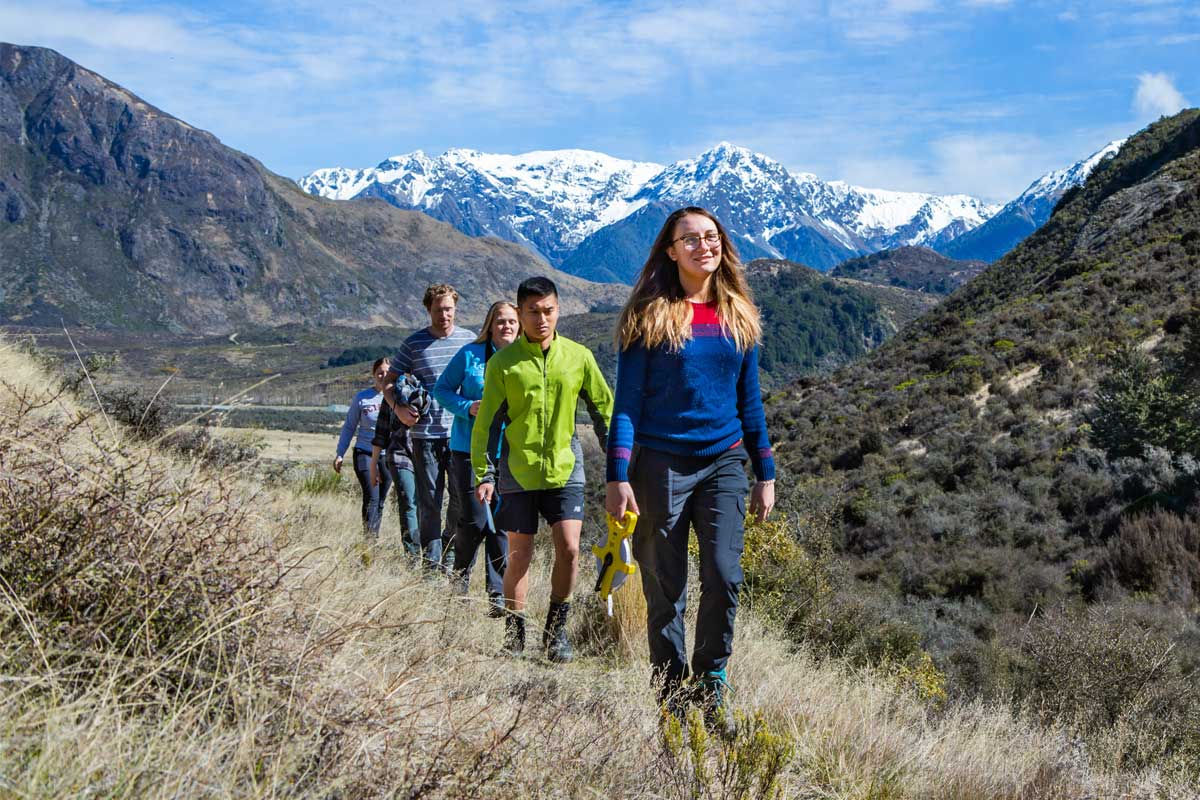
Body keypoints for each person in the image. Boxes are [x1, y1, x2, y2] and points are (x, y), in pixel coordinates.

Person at [604, 206, 776, 731]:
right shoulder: (648, 317)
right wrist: (618, 476)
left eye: (711, 236)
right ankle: (671, 696)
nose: (704, 246)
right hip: (660, 466)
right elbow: (627, 404)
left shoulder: (738, 315)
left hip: (724, 462)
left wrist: (765, 471)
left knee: (724, 575)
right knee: (666, 587)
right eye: (691, 239)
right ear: (671, 251)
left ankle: (711, 682)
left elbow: (750, 402)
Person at [472, 277, 613, 662]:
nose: (541, 319)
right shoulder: (503, 363)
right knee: (520, 556)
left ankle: (555, 633)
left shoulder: (579, 357)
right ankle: (515, 635)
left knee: (569, 549)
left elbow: (604, 411)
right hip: (517, 469)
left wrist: (619, 466)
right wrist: (484, 474)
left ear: (558, 310)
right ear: (519, 313)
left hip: (566, 468)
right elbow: (487, 424)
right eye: (532, 312)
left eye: (548, 310)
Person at [433, 301, 520, 616]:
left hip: (509, 452)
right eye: (500, 321)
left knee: (501, 523)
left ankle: (497, 593)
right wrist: (466, 406)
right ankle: (459, 578)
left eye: (512, 321)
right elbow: (441, 390)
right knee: (474, 518)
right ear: (490, 325)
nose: (506, 326)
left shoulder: (525, 358)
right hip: (469, 448)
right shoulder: (470, 355)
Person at [384, 284, 475, 567]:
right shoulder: (413, 344)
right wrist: (398, 408)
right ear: (428, 310)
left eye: (448, 309)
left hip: (460, 435)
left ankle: (450, 551)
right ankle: (431, 567)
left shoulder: (470, 341)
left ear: (455, 308)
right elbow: (389, 380)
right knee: (429, 503)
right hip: (425, 436)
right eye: (438, 310)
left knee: (461, 501)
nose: (444, 315)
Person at [370, 372, 428, 557]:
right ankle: (412, 555)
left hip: (427, 454)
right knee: (408, 501)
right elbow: (381, 431)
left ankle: (431, 552)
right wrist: (373, 465)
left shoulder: (432, 386)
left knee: (426, 504)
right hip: (400, 453)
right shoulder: (392, 394)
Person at [334, 358, 393, 539]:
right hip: (365, 452)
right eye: (379, 373)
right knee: (372, 496)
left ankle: (374, 537)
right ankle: (368, 541)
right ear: (374, 375)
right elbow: (349, 427)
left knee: (381, 500)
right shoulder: (362, 398)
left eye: (386, 372)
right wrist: (340, 453)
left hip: (388, 456)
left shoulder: (398, 397)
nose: (383, 376)